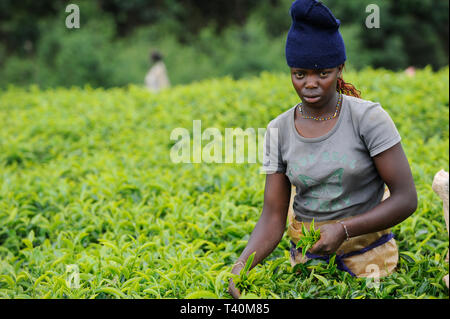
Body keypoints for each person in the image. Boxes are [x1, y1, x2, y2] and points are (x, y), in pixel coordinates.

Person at [228, 0, 417, 299]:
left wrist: (343, 229)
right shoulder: (279, 129)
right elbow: (273, 215)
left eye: (323, 74)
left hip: (369, 263)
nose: (310, 84)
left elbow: (406, 198)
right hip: (307, 265)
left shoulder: (368, 119)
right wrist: (242, 265)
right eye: (299, 74)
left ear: (340, 68)